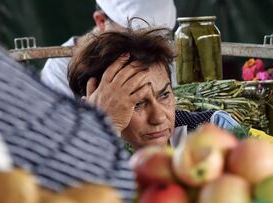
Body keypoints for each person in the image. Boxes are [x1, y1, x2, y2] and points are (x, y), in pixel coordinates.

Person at [68, 27, 240, 149]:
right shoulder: (77, 153)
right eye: (138, 104)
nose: (158, 117)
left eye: (164, 95)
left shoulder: (216, 130)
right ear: (94, 106)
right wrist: (104, 127)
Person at [41, 0, 176, 96]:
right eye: (135, 37)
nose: (149, 51)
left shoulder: (161, 53)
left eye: (160, 38)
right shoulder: (58, 72)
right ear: (101, 21)